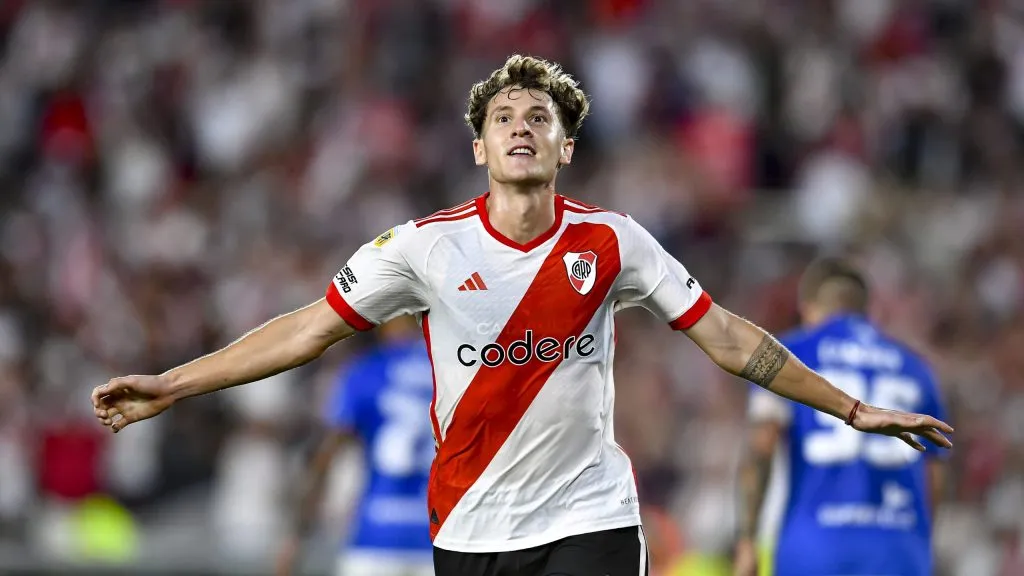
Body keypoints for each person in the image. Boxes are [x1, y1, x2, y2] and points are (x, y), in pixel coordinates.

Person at [91, 55, 953, 576]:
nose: (520, 127)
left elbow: (727, 337)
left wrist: (849, 405)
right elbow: (308, 328)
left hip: (591, 514)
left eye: (538, 117)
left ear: (564, 146)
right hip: (470, 523)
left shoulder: (613, 243)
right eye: (503, 117)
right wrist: (175, 382)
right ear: (479, 147)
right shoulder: (422, 248)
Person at [732, 257, 950, 576]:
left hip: (814, 549)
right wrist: (919, 544)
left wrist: (747, 542)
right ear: (866, 309)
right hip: (898, 549)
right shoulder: (916, 367)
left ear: (807, 308)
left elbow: (760, 448)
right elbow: (934, 475)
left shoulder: (787, 356)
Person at [275, 315, 434, 576]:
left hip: (375, 535)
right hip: (440, 538)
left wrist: (296, 537)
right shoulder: (453, 369)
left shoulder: (365, 371)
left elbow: (326, 456)